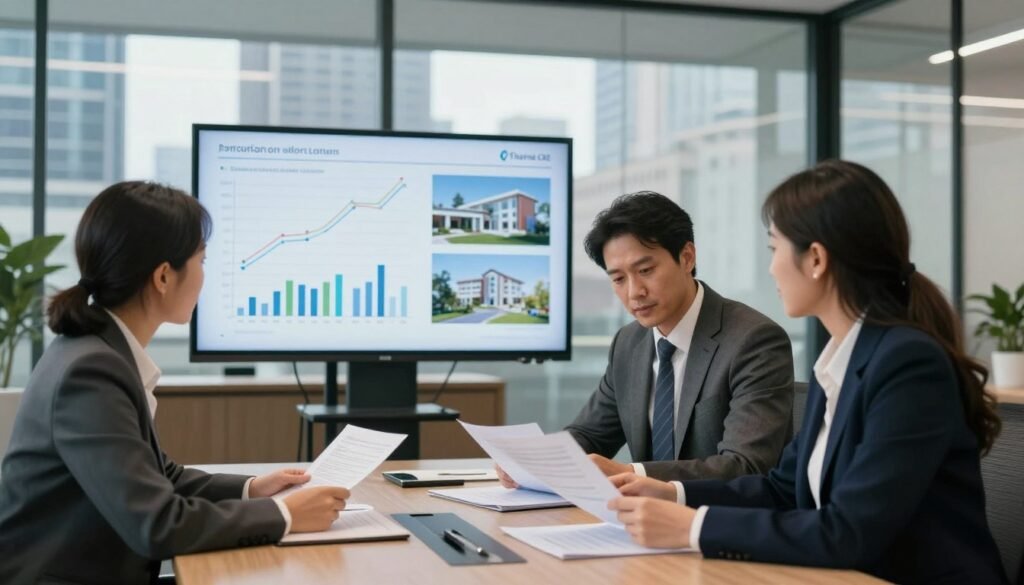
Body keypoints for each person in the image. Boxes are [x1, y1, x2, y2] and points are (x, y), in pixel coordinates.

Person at [608, 161, 1008, 585]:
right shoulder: (839, 359)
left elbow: (848, 532)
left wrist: (692, 528)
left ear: (815, 258)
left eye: (774, 249)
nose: (771, 268)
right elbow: (783, 489)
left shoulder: (908, 365)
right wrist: (672, 493)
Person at [0, 182, 350, 585]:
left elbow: (159, 476)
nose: (204, 276)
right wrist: (285, 514)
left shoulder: (97, 352)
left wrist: (253, 488)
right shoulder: (91, 372)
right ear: (164, 277)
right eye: (201, 259)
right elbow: (156, 524)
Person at [501, 191, 793, 489]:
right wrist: (535, 461)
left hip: (716, 525)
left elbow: (745, 466)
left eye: (645, 270)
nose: (634, 292)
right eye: (618, 279)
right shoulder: (629, 343)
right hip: (638, 525)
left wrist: (631, 473)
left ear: (687, 257)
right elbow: (590, 435)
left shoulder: (753, 341)